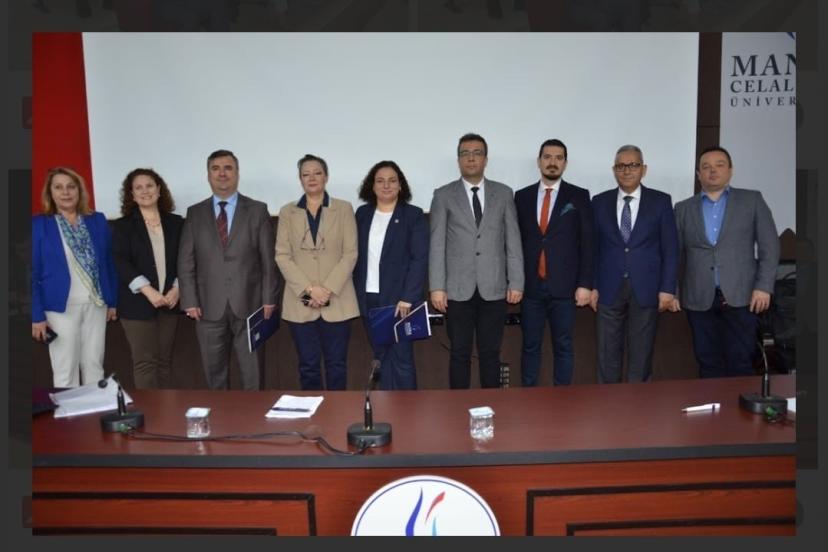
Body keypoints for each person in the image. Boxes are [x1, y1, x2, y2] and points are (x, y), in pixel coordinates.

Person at [178, 149, 282, 390]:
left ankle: (254, 412)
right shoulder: (195, 213)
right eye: (215, 169)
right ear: (208, 175)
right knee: (214, 373)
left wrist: (269, 299)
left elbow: (268, 259)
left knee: (253, 372)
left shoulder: (257, 210)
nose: (222, 173)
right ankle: (220, 414)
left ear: (237, 173)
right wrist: (189, 300)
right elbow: (186, 261)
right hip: (207, 306)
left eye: (228, 168)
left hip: (251, 303)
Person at [673, 146, 779, 378]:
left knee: (740, 362)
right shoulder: (682, 208)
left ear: (730, 170)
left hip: (743, 295)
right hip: (699, 297)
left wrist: (763, 287)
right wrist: (674, 291)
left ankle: (740, 404)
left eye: (719, 165)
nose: (712, 171)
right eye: (706, 167)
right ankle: (712, 403)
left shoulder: (752, 200)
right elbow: (675, 254)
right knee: (708, 362)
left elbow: (770, 247)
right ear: (698, 174)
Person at [429, 133, 524, 389]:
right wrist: (437, 287)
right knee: (459, 352)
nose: (471, 158)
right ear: (459, 160)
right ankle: (458, 407)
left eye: (477, 153)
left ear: (486, 159)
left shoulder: (503, 193)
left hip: (494, 287)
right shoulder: (443, 195)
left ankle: (491, 405)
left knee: (491, 353)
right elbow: (437, 244)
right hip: (457, 289)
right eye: (465, 153)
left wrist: (516, 281)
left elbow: (513, 240)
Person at [590, 145, 678, 383]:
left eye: (633, 165)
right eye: (621, 166)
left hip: (647, 288)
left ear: (644, 169)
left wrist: (668, 288)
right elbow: (593, 248)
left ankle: (639, 404)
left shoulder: (661, 201)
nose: (627, 170)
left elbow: (670, 249)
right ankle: (608, 403)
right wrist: (593, 285)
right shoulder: (599, 202)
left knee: (641, 358)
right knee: (607, 357)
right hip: (608, 288)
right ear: (614, 170)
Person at [276, 154, 359, 390]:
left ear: (326, 177)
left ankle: (337, 411)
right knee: (308, 366)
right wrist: (310, 290)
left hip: (338, 299)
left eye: (317, 173)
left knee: (337, 365)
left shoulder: (343, 208)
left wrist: (326, 290)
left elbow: (350, 253)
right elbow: (282, 255)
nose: (311, 178)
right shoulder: (287, 212)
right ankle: (313, 412)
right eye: (306, 174)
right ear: (300, 179)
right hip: (300, 300)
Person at [514, 139, 594, 386]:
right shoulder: (522, 196)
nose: (552, 162)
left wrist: (585, 284)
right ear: (539, 162)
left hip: (565, 287)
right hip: (530, 286)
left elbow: (588, 243)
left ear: (565, 164)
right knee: (530, 346)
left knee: (563, 345)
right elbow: (514, 242)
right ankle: (528, 395)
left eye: (559, 158)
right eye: (547, 157)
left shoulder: (579, 196)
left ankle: (563, 398)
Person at [31, 167, 118, 387]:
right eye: (58, 187)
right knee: (65, 368)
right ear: (50, 193)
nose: (66, 192)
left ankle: (94, 407)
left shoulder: (97, 220)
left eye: (71, 187)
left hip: (96, 304)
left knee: (94, 364)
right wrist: (36, 316)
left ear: (79, 191)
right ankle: (69, 410)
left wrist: (112, 301)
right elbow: (30, 273)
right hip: (59, 308)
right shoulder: (39, 225)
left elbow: (108, 263)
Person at [353, 161, 429, 390]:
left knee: (402, 359)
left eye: (392, 180)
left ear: (400, 185)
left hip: (400, 301)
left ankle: (408, 408)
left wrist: (408, 297)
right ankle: (387, 406)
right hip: (369, 297)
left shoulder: (413, 215)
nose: (386, 185)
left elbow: (419, 259)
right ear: (372, 186)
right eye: (380, 181)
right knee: (381, 357)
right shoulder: (362, 214)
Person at [111, 168, 184, 389]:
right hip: (136, 303)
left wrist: (177, 288)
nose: (145, 191)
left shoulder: (177, 223)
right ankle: (149, 410)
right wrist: (148, 290)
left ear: (159, 190)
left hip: (169, 301)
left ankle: (167, 408)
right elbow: (120, 261)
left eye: (150, 186)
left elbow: (186, 259)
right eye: (138, 188)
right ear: (132, 195)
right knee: (145, 363)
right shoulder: (122, 226)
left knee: (164, 362)